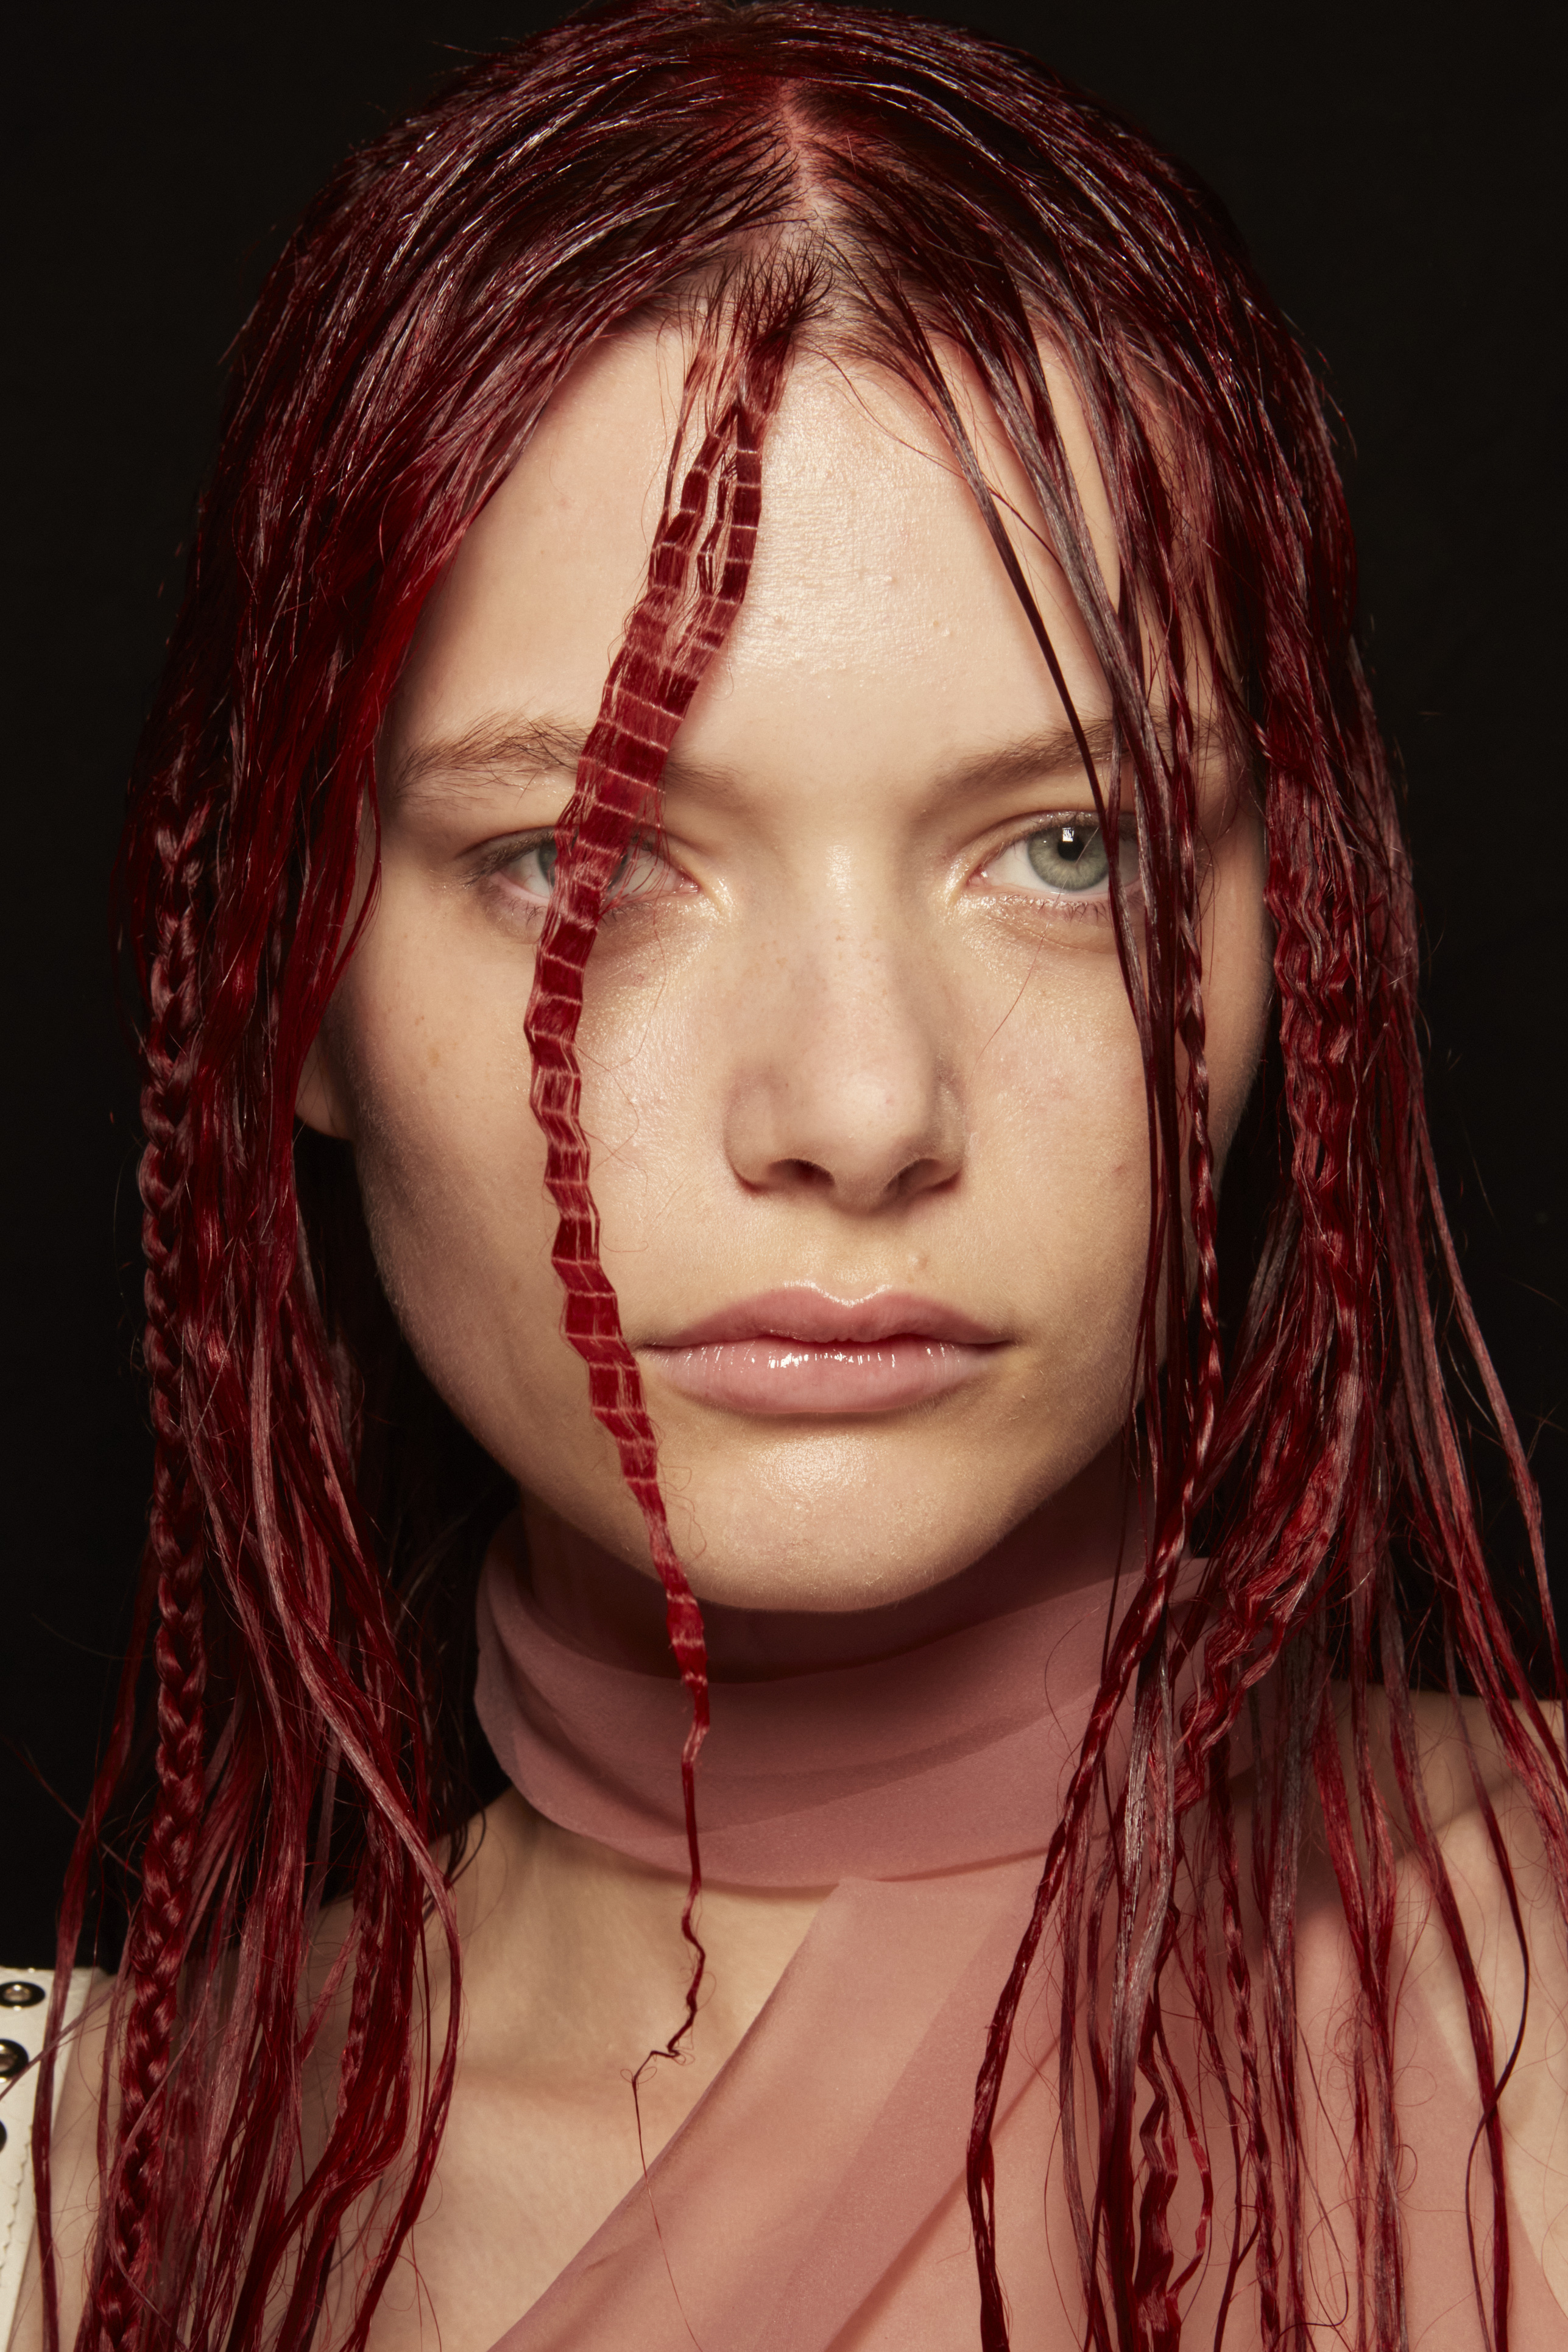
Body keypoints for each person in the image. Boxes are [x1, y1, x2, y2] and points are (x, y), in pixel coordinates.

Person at [5, 2, 1564, 2347]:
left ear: (1299, 936)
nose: (855, 1107)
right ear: (287, 978)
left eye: (1069, 848)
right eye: (581, 863)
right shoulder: (73, 2211)